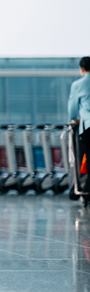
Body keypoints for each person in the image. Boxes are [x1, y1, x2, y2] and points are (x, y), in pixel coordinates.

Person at [68, 56, 90, 192]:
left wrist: (73, 118)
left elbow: (72, 109)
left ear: (81, 69)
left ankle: (85, 187)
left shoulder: (78, 85)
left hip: (87, 125)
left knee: (85, 157)